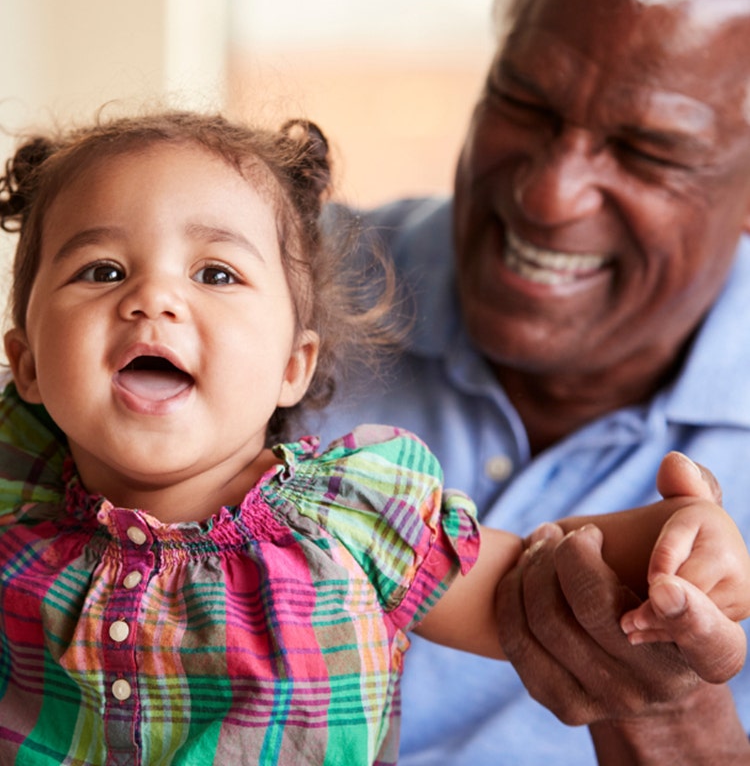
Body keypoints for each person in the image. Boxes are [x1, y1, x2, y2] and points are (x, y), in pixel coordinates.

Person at [1, 110, 744, 765]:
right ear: (27, 362)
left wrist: (668, 542)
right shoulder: (13, 484)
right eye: (102, 270)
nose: (153, 298)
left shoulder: (352, 521)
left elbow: (527, 583)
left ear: (294, 368)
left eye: (216, 274)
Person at [302, 0, 750, 763]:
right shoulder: (253, 288)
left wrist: (674, 722)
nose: (548, 194)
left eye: (648, 150)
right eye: (524, 103)